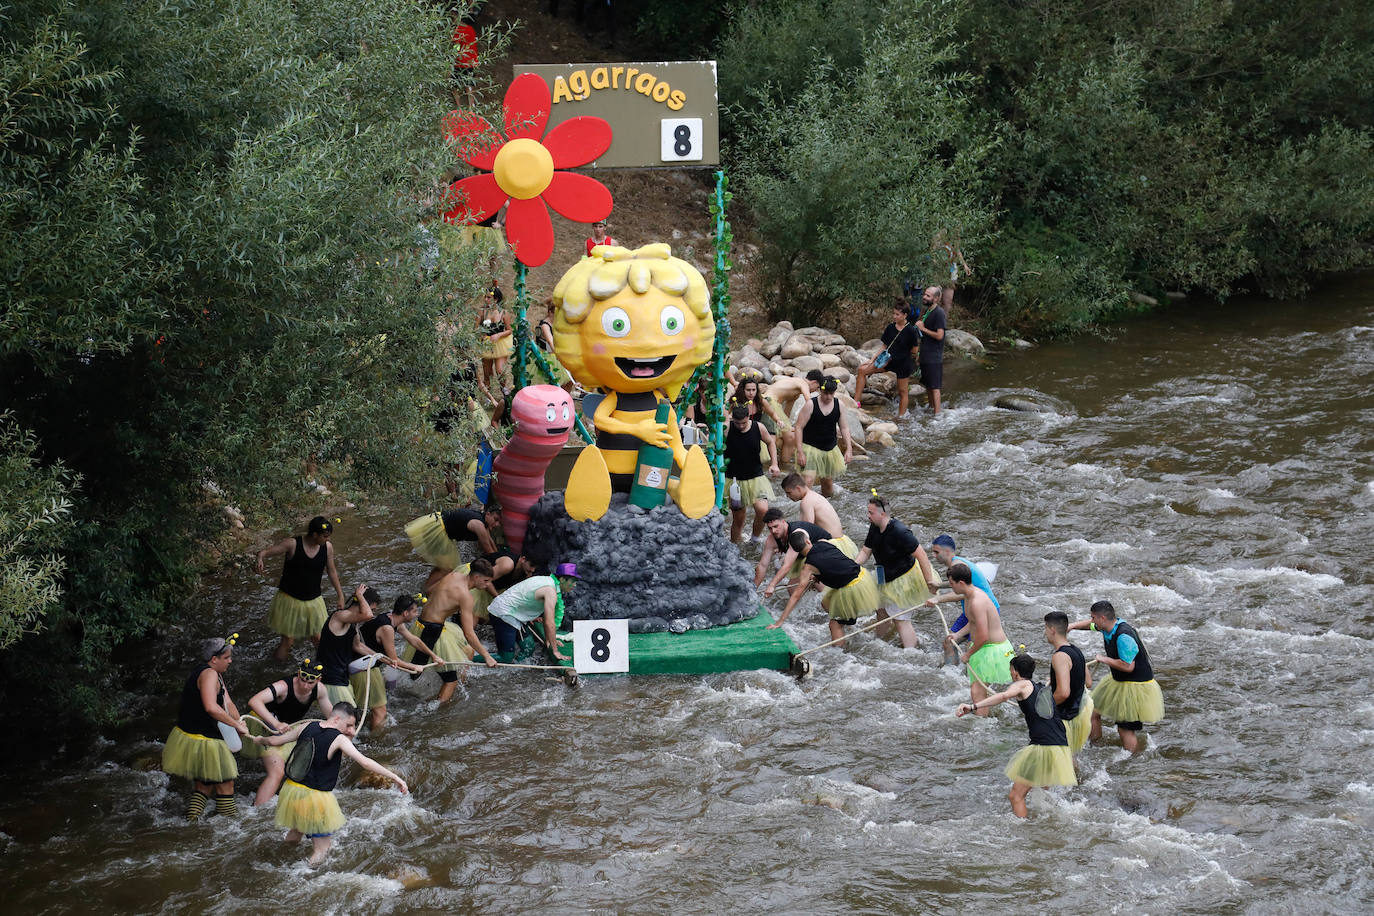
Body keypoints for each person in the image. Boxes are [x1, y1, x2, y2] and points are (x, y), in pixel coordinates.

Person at [255, 702, 408, 866]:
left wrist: (259, 739)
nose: (352, 730)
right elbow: (366, 763)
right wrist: (396, 777)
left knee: (296, 830)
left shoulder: (307, 726)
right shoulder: (339, 739)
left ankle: (279, 861)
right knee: (323, 848)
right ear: (336, 719)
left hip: (292, 790)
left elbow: (274, 741)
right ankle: (305, 876)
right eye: (349, 725)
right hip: (314, 798)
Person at [955, 653, 1075, 818]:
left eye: (1011, 670)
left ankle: (1024, 832)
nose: (1010, 674)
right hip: (1059, 745)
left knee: (1015, 796)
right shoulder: (1041, 687)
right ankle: (1048, 825)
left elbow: (1004, 696)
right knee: (1042, 790)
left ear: (1016, 672)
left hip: (1043, 746)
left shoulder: (1022, 685)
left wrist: (973, 706)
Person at [162, 635, 250, 820]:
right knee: (226, 785)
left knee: (204, 784)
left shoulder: (210, 672)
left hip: (189, 736)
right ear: (214, 659)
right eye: (226, 658)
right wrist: (235, 725)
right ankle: (230, 825)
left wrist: (241, 725)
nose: (230, 661)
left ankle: (190, 822)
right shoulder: (209, 675)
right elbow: (211, 707)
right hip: (205, 740)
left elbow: (228, 702)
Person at [1069, 600, 1164, 752]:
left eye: (1093, 617)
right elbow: (1090, 625)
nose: (1091, 621)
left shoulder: (1123, 636)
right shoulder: (1108, 627)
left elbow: (1128, 666)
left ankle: (1134, 760)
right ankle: (1096, 747)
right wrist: (1072, 626)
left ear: (1103, 619)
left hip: (1135, 686)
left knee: (1125, 729)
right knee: (1093, 712)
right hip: (1120, 682)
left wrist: (1104, 659)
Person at [767, 528, 881, 647]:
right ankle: (846, 623)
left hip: (851, 588)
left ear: (797, 551)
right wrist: (821, 576)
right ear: (808, 541)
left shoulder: (808, 567)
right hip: (863, 577)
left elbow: (796, 596)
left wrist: (780, 621)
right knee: (825, 604)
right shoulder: (824, 543)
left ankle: (839, 653)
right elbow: (834, 562)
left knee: (833, 625)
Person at [244, 658, 334, 806]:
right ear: (298, 674)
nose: (305, 685)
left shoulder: (320, 690)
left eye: (310, 683)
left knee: (300, 766)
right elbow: (254, 701)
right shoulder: (283, 686)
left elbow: (331, 716)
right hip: (265, 725)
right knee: (277, 773)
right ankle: (254, 813)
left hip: (286, 729)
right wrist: (276, 723)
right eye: (302, 679)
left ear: (318, 680)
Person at [853, 494, 938, 649]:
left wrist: (929, 582)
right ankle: (878, 643)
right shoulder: (874, 527)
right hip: (884, 577)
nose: (868, 516)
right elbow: (866, 551)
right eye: (868, 512)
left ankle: (911, 653)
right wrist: (853, 565)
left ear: (883, 514)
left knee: (901, 619)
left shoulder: (900, 532)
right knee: (881, 611)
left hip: (904, 579)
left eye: (871, 513)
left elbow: (922, 556)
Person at [256, 516, 346, 661]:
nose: (327, 540)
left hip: (313, 600)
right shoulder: (293, 544)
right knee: (288, 641)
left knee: (318, 638)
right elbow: (267, 551)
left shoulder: (327, 547)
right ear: (314, 535)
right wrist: (260, 557)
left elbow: (332, 571)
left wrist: (340, 595)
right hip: (289, 599)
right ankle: (275, 669)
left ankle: (324, 667)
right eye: (325, 536)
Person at [927, 563, 1013, 714]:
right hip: (985, 647)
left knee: (977, 693)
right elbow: (972, 623)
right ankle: (983, 720)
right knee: (977, 692)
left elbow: (983, 635)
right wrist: (958, 634)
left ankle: (982, 726)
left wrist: (968, 654)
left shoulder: (976, 602)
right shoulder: (969, 594)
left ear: (961, 583)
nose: (951, 587)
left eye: (952, 584)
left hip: (992, 649)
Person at [411, 559, 495, 700]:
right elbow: (468, 633)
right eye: (486, 581)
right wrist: (487, 656)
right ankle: (437, 711)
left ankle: (461, 686)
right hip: (432, 631)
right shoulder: (466, 597)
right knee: (450, 680)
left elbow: (431, 591)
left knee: (469, 651)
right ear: (476, 577)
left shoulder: (454, 575)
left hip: (423, 623)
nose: (488, 585)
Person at [352, 595, 434, 731]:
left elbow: (413, 640)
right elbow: (393, 661)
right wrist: (415, 667)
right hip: (361, 668)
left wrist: (433, 656)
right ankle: (375, 741)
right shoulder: (387, 628)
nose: (417, 614)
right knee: (380, 711)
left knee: (389, 680)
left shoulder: (392, 618)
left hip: (369, 664)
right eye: (414, 611)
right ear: (405, 613)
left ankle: (384, 697)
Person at [928, 534, 1000, 664]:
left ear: (948, 551)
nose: (933, 555)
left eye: (936, 552)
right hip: (970, 611)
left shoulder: (957, 564)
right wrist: (939, 585)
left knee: (973, 651)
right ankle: (951, 674)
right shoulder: (956, 564)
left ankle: (971, 680)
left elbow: (961, 592)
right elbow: (958, 585)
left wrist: (938, 599)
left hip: (984, 610)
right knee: (949, 642)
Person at [487, 563, 579, 663]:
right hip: (503, 613)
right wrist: (555, 651)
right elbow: (549, 622)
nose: (575, 585)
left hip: (515, 614)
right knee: (505, 658)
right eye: (573, 581)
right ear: (562, 579)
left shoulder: (548, 581)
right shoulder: (550, 590)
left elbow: (547, 619)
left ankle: (518, 669)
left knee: (529, 647)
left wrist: (551, 639)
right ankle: (470, 660)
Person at [757, 510, 852, 598]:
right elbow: (762, 565)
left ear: (783, 522)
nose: (773, 531)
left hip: (828, 552)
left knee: (819, 584)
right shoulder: (771, 540)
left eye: (776, 526)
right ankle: (807, 611)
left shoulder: (796, 534)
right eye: (770, 528)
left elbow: (787, 566)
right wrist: (753, 590)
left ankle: (835, 603)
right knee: (792, 589)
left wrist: (772, 585)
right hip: (808, 557)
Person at [404, 503, 502, 584]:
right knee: (447, 567)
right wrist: (500, 566)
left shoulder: (484, 523)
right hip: (437, 529)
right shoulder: (479, 525)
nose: (497, 524)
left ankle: (431, 586)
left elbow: (491, 543)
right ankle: (429, 590)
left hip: (441, 530)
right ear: (488, 514)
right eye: (496, 519)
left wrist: (500, 558)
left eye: (499, 523)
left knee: (445, 566)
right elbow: (488, 551)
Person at [855, 301, 921, 418]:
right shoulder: (890, 327)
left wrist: (905, 355)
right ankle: (856, 403)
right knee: (862, 370)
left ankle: (901, 417)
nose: (894, 316)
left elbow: (915, 350)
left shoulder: (911, 330)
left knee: (903, 391)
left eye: (897, 314)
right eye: (894, 314)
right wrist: (873, 359)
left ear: (905, 315)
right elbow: (884, 346)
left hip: (903, 364)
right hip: (887, 361)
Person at [724, 404, 780, 543]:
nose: (741, 426)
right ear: (733, 419)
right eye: (737, 423)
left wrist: (774, 463)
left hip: (756, 477)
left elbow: (770, 443)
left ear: (748, 417)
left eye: (743, 423)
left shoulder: (758, 427)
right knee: (739, 518)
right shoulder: (727, 428)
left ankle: (754, 540)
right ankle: (734, 547)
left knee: (763, 511)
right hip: (734, 481)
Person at [317, 584, 377, 706]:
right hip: (332, 678)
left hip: (341, 676)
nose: (373, 614)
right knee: (348, 721)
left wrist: (384, 658)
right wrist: (359, 595)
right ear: (362, 604)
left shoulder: (352, 623)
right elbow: (368, 615)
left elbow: (357, 646)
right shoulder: (340, 616)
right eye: (372, 609)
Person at [793, 377, 853, 496]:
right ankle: (804, 509)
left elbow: (844, 428)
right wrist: (800, 452)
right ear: (820, 390)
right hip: (810, 448)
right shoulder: (811, 404)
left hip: (829, 449)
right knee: (808, 481)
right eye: (826, 393)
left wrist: (849, 449)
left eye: (831, 394)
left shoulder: (839, 405)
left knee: (827, 483)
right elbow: (798, 427)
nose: (829, 397)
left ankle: (824, 508)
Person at [1044, 611, 1093, 755]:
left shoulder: (1059, 656)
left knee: (1060, 761)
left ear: (1052, 630)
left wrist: (1043, 706)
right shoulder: (1076, 650)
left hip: (1065, 717)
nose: (1045, 632)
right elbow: (1088, 682)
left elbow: (1063, 693)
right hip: (1079, 715)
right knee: (1070, 758)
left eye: (1045, 628)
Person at [779, 473, 857, 556]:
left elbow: (806, 532)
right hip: (842, 542)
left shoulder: (806, 502)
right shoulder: (815, 496)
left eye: (789, 492)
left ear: (798, 488)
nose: (787, 496)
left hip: (830, 544)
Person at [914, 285, 946, 415]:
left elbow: (940, 335)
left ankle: (937, 415)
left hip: (934, 356)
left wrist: (923, 329)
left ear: (936, 298)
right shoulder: (927, 311)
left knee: (935, 387)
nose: (924, 297)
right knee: (928, 384)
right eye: (925, 294)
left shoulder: (939, 313)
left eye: (928, 295)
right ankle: (932, 409)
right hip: (925, 354)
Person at [478, 280, 513, 388]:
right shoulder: (482, 312)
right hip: (486, 343)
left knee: (500, 370)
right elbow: (475, 328)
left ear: (496, 299)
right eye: (485, 297)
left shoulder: (503, 313)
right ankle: (488, 396)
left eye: (489, 297)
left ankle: (505, 391)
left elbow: (509, 330)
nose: (486, 299)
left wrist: (498, 335)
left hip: (500, 343)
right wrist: (481, 335)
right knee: (487, 372)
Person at [932, 228, 972, 312]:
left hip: (951, 273)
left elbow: (957, 251)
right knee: (935, 300)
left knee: (948, 302)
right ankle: (931, 322)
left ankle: (942, 323)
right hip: (938, 274)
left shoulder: (954, 241)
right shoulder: (939, 238)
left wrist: (964, 265)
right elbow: (932, 252)